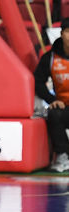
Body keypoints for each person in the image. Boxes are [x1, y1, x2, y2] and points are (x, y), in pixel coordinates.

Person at [35, 18, 69, 172]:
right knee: (54, 113)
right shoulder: (50, 58)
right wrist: (52, 100)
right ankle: (63, 156)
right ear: (62, 34)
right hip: (64, 107)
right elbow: (38, 81)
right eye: (68, 32)